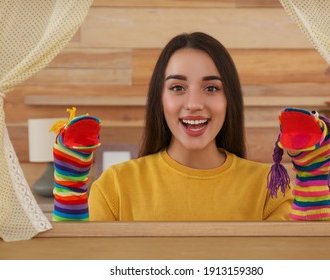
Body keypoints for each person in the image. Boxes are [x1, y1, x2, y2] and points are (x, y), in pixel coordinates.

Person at [88, 32, 293, 221]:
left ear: (230, 99)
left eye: (211, 88)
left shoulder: (271, 188)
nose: (194, 104)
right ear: (159, 99)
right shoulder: (113, 187)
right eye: (177, 87)